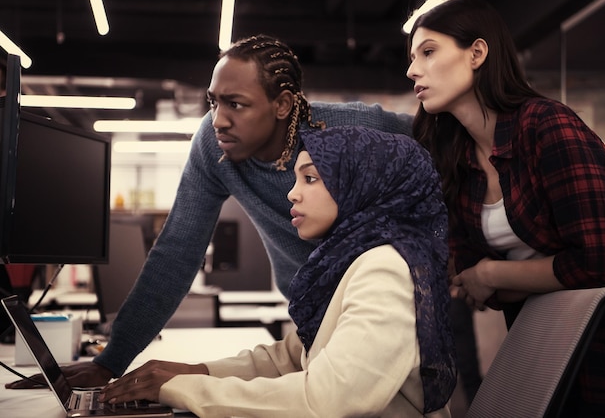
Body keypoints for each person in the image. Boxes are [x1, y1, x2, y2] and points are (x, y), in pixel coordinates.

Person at [6, 34, 413, 389]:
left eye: (236, 104)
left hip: (377, 307)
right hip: (310, 317)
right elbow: (177, 252)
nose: (218, 119)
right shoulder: (213, 146)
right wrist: (110, 361)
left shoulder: (351, 130)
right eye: (214, 102)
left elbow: (442, 136)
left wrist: (461, 249)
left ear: (283, 104)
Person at [97, 124, 456, 417]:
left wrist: (181, 389)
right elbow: (292, 357)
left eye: (310, 178)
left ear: (358, 185)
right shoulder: (351, 258)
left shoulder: (386, 268)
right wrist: (195, 372)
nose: (292, 194)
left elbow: (328, 400)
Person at [405, 0, 605, 417]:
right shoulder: (456, 158)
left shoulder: (547, 126)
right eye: (413, 57)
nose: (412, 69)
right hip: (540, 343)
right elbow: (468, 278)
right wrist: (487, 278)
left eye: (428, 52)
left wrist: (495, 273)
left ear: (477, 53)